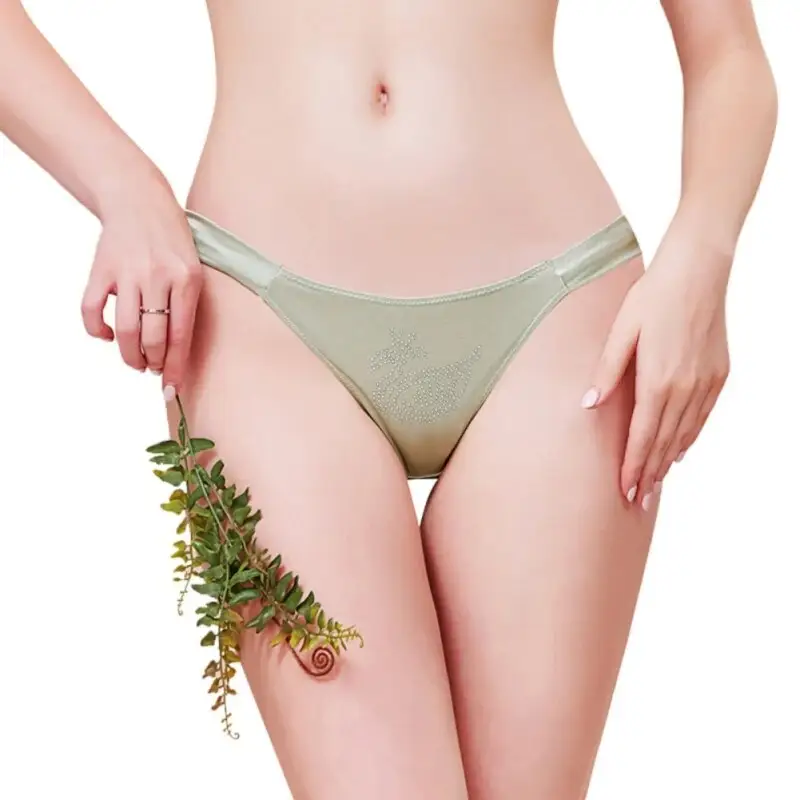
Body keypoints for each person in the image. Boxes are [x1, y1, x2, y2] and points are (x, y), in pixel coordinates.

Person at [0, 1, 777, 798]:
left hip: (558, 318)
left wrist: (702, 255)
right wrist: (125, 187)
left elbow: (728, 54)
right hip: (262, 320)